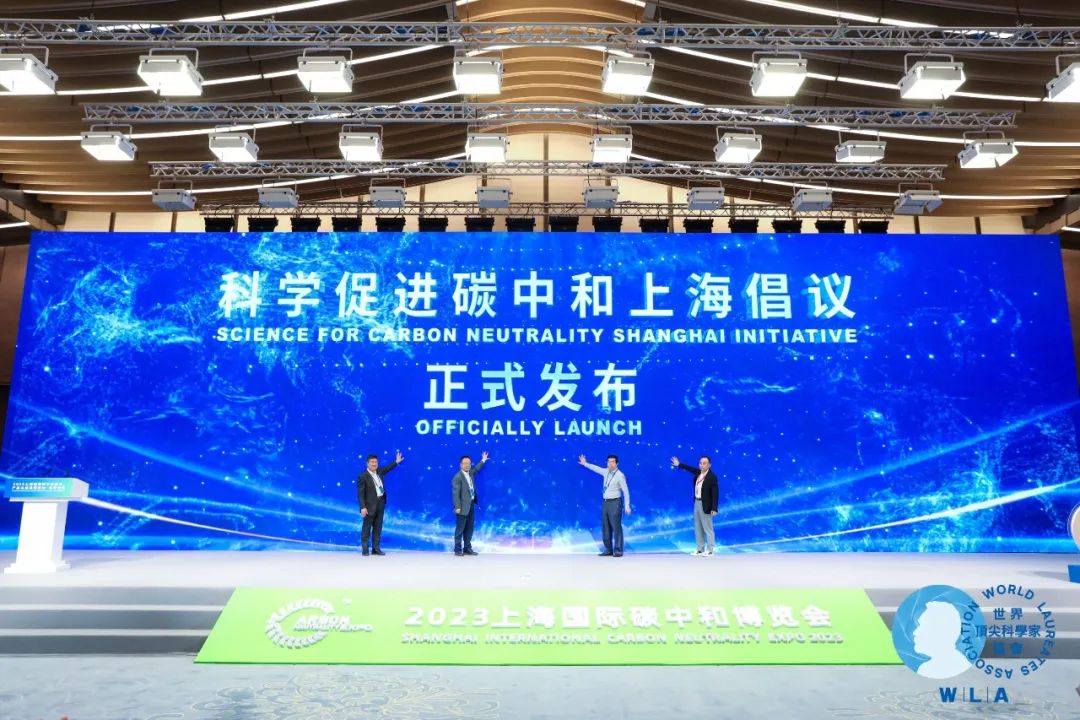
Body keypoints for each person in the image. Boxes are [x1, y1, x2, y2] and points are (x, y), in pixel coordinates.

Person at [578, 454, 631, 556]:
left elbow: (626, 491)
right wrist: (585, 464)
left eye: (612, 462)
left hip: (615, 502)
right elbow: (596, 468)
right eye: (608, 462)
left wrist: (627, 506)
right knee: (605, 527)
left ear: (617, 463)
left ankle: (618, 550)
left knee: (616, 526)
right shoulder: (605, 471)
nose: (610, 464)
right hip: (605, 502)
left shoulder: (620, 475)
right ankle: (608, 549)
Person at [671, 454, 718, 556]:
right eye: (700, 463)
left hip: (706, 504)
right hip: (697, 502)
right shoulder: (699, 473)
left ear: (709, 465)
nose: (702, 465)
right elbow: (689, 468)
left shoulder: (712, 477)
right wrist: (679, 464)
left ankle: (710, 550)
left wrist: (714, 508)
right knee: (698, 527)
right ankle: (700, 548)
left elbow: (715, 494)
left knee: (707, 528)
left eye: (704, 463)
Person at [357, 451, 403, 556]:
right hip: (369, 506)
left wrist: (396, 462)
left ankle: (376, 549)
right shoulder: (362, 476)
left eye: (376, 462)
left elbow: (388, 468)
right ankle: (365, 549)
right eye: (372, 462)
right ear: (367, 463)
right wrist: (362, 507)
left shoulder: (379, 472)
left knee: (378, 527)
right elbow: (360, 494)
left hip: (381, 503)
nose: (374, 464)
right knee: (367, 528)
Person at [452, 452, 488, 556]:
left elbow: (476, 468)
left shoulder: (470, 473)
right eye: (465, 463)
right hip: (462, 507)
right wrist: (457, 507)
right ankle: (457, 549)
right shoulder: (457, 477)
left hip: (471, 505)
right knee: (460, 529)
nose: (467, 465)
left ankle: (467, 548)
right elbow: (455, 494)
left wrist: (483, 460)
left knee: (469, 528)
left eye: (469, 463)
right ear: (461, 465)